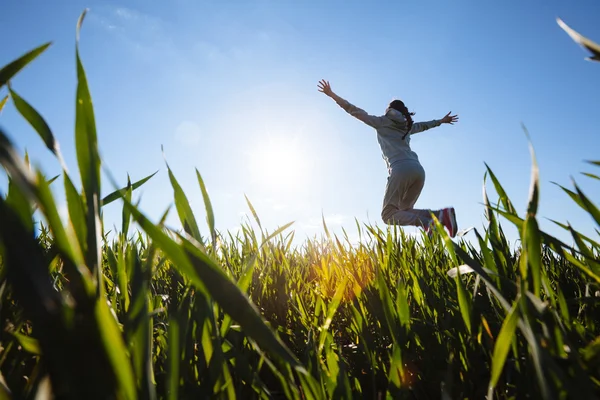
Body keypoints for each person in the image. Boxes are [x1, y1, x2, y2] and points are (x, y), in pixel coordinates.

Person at [317, 79, 459, 237]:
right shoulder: (407, 126)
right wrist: (441, 121)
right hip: (418, 170)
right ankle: (441, 215)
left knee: (388, 215)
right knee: (404, 211)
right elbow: (424, 125)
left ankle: (427, 223)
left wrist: (332, 95)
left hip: (400, 169)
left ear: (389, 109)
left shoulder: (381, 122)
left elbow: (353, 110)